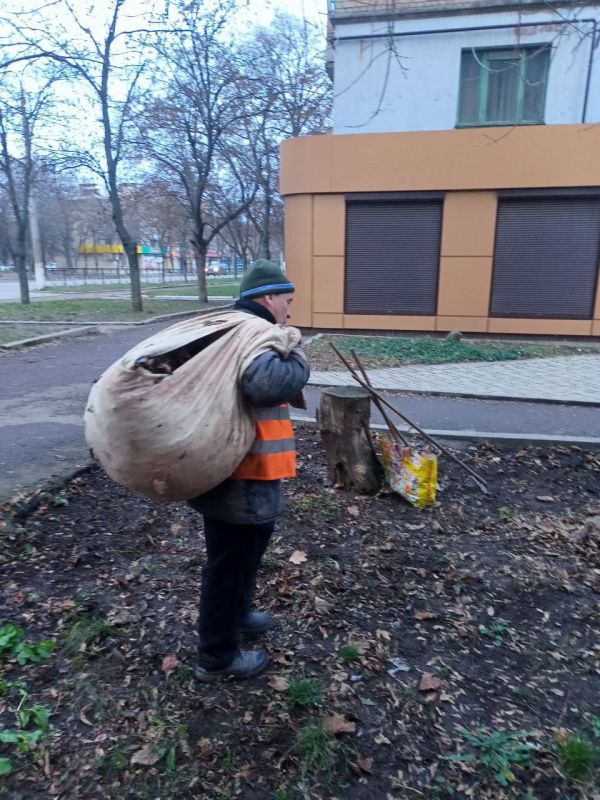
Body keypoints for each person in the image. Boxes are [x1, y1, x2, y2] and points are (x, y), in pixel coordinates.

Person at [189, 259, 310, 682]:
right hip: (241, 472)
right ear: (268, 297)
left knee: (242, 554)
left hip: (234, 468)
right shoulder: (254, 331)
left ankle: (238, 615)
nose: (290, 310)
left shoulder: (235, 328)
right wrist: (298, 355)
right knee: (228, 564)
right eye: (287, 301)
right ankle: (216, 657)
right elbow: (268, 384)